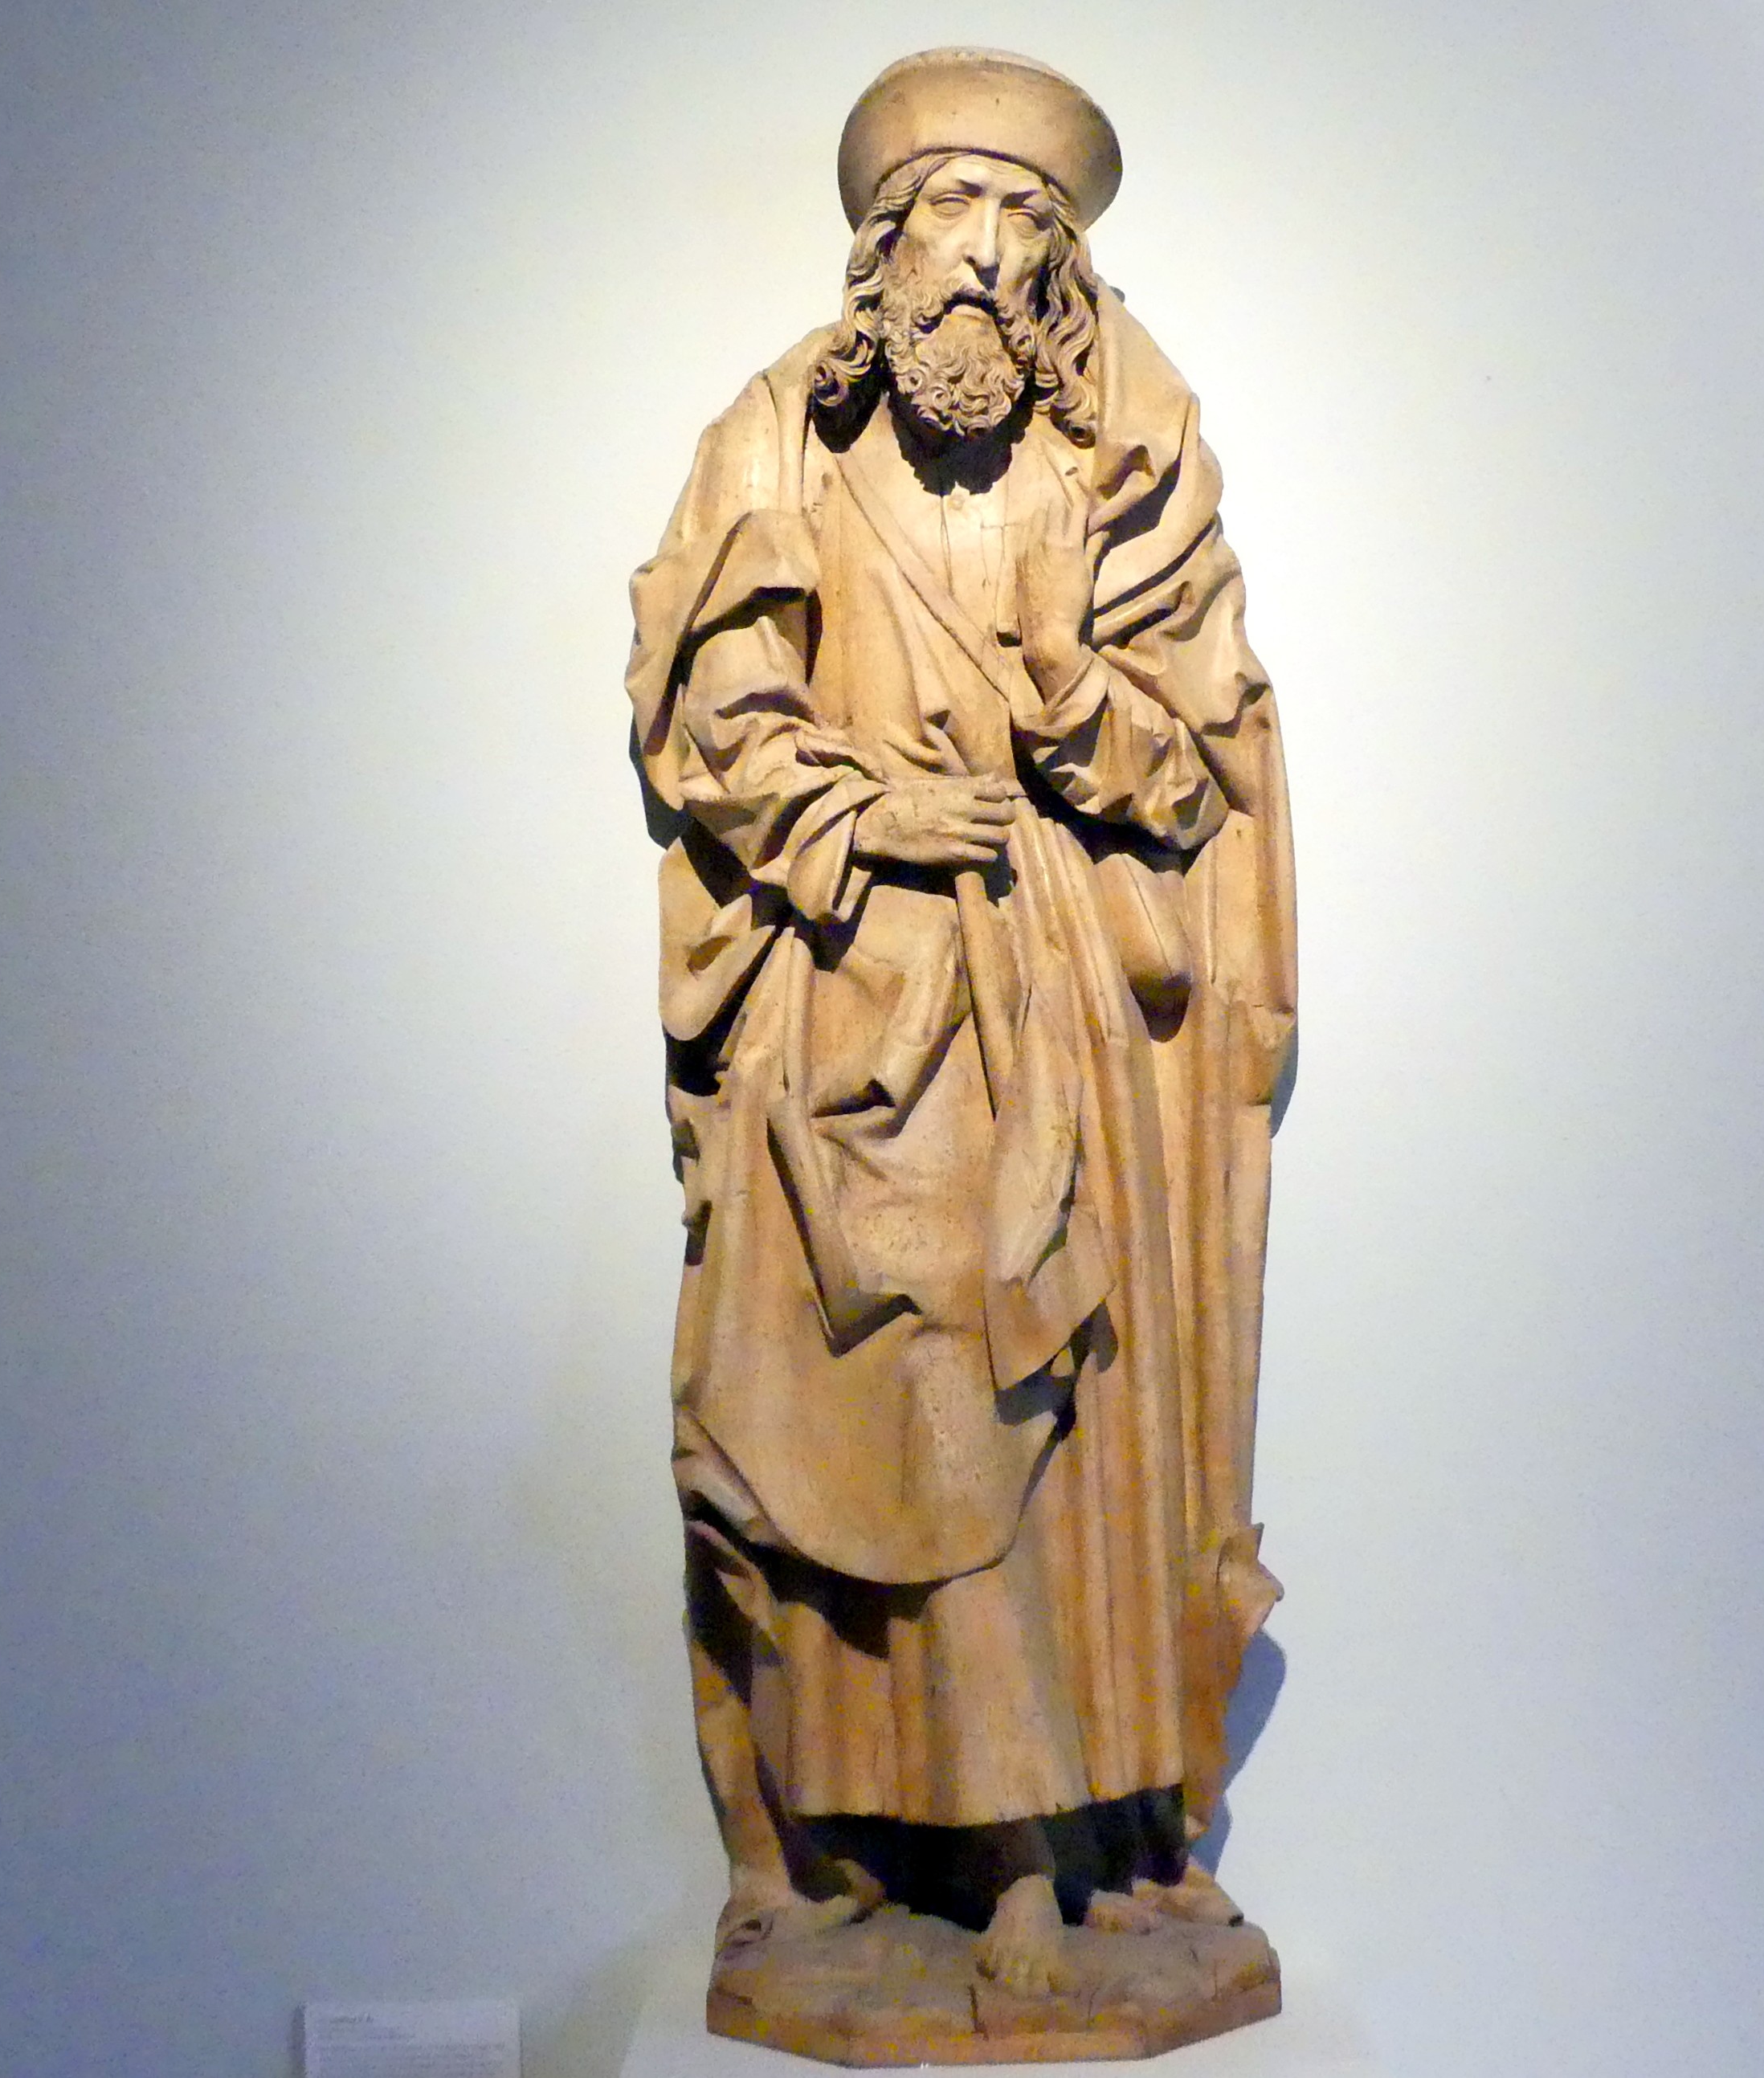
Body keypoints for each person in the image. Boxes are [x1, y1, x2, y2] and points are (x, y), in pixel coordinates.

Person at [623, 47, 1296, 1997]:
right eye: (951, 217)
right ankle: (828, 1843)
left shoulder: (1126, 463)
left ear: (1066, 267)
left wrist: (1071, 683)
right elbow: (714, 718)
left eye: (1026, 224)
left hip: (1067, 1023)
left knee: (1050, 1437)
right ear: (881, 250)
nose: (986, 261)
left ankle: (1042, 1851)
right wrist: (866, 818)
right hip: (848, 1016)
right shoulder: (778, 443)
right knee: (841, 1425)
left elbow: (1198, 770)